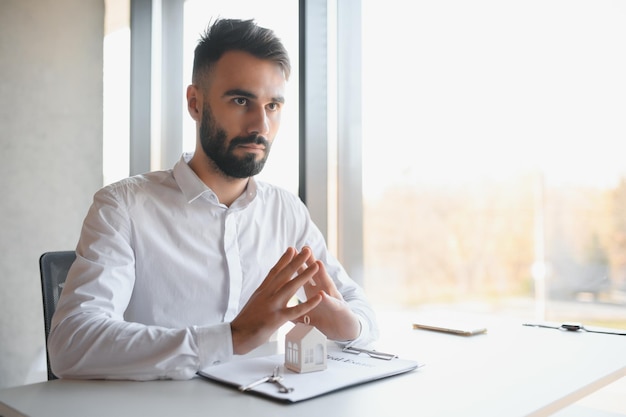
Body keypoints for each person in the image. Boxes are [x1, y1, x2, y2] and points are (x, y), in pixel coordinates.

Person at [48, 18, 378, 380]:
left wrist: (348, 326)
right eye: (241, 100)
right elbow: (71, 344)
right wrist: (231, 338)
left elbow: (360, 312)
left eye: (273, 106)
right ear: (195, 103)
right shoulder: (122, 208)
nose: (261, 126)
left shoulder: (286, 212)